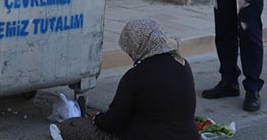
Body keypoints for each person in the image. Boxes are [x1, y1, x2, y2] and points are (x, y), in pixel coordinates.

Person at [53, 18, 200, 140]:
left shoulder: (137, 75)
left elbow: (112, 123)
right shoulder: (182, 63)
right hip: (190, 136)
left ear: (137, 46)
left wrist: (96, 118)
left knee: (71, 127)